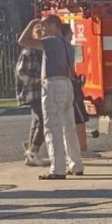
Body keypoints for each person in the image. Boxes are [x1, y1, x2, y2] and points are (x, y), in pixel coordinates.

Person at [18, 16, 84, 180]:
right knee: (69, 128)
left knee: (52, 128)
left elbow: (23, 41)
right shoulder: (67, 45)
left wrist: (31, 24)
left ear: (54, 26)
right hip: (68, 85)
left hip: (53, 85)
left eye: (45, 26)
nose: (44, 29)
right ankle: (76, 165)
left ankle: (57, 169)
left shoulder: (51, 41)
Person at [15, 34, 46, 167]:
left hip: (39, 91)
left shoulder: (40, 52)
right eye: (39, 32)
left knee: (36, 121)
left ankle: (31, 152)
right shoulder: (28, 52)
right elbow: (21, 73)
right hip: (32, 92)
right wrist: (39, 80)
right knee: (44, 120)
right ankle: (33, 151)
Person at [62, 25, 90, 152]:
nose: (72, 36)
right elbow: (71, 70)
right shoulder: (66, 48)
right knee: (79, 118)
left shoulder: (54, 48)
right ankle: (82, 149)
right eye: (70, 34)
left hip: (63, 88)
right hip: (70, 88)